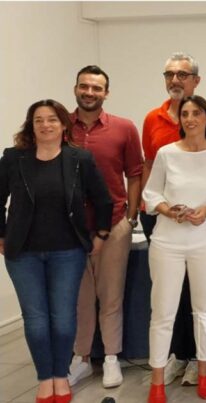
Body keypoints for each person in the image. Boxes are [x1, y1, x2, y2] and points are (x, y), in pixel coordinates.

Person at [0, 99, 112, 403]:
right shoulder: (13, 158)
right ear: (31, 125)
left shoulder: (80, 159)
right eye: (38, 120)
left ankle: (61, 376)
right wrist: (2, 235)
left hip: (68, 252)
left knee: (62, 318)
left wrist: (101, 234)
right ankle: (45, 378)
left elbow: (103, 200)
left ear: (64, 125)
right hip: (23, 253)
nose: (45, 125)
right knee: (36, 319)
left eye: (52, 119)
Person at [141, 51, 206, 386]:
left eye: (181, 74)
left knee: (203, 308)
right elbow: (151, 185)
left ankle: (202, 368)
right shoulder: (155, 127)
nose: (174, 80)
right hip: (166, 234)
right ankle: (165, 372)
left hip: (205, 237)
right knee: (165, 310)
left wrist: (205, 210)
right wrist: (167, 209)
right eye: (169, 75)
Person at [66, 65, 144, 389]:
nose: (90, 92)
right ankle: (80, 359)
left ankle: (111, 358)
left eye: (96, 88)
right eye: (84, 86)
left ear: (106, 93)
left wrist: (132, 216)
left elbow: (135, 173)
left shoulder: (124, 128)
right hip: (69, 230)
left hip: (114, 225)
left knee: (111, 296)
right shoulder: (59, 127)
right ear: (76, 89)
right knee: (78, 299)